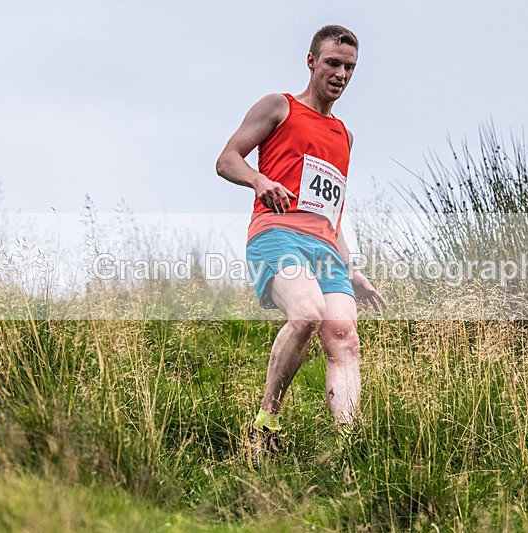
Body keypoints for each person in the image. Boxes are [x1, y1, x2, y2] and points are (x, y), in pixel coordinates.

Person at [215, 24, 386, 468]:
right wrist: (258, 179)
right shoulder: (280, 107)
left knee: (344, 337)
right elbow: (226, 158)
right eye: (332, 63)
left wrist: (352, 270)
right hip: (275, 233)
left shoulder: (344, 137)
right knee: (308, 312)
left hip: (325, 248)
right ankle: (266, 421)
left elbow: (334, 214)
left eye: (349, 67)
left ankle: (349, 448)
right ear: (311, 61)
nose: (341, 74)